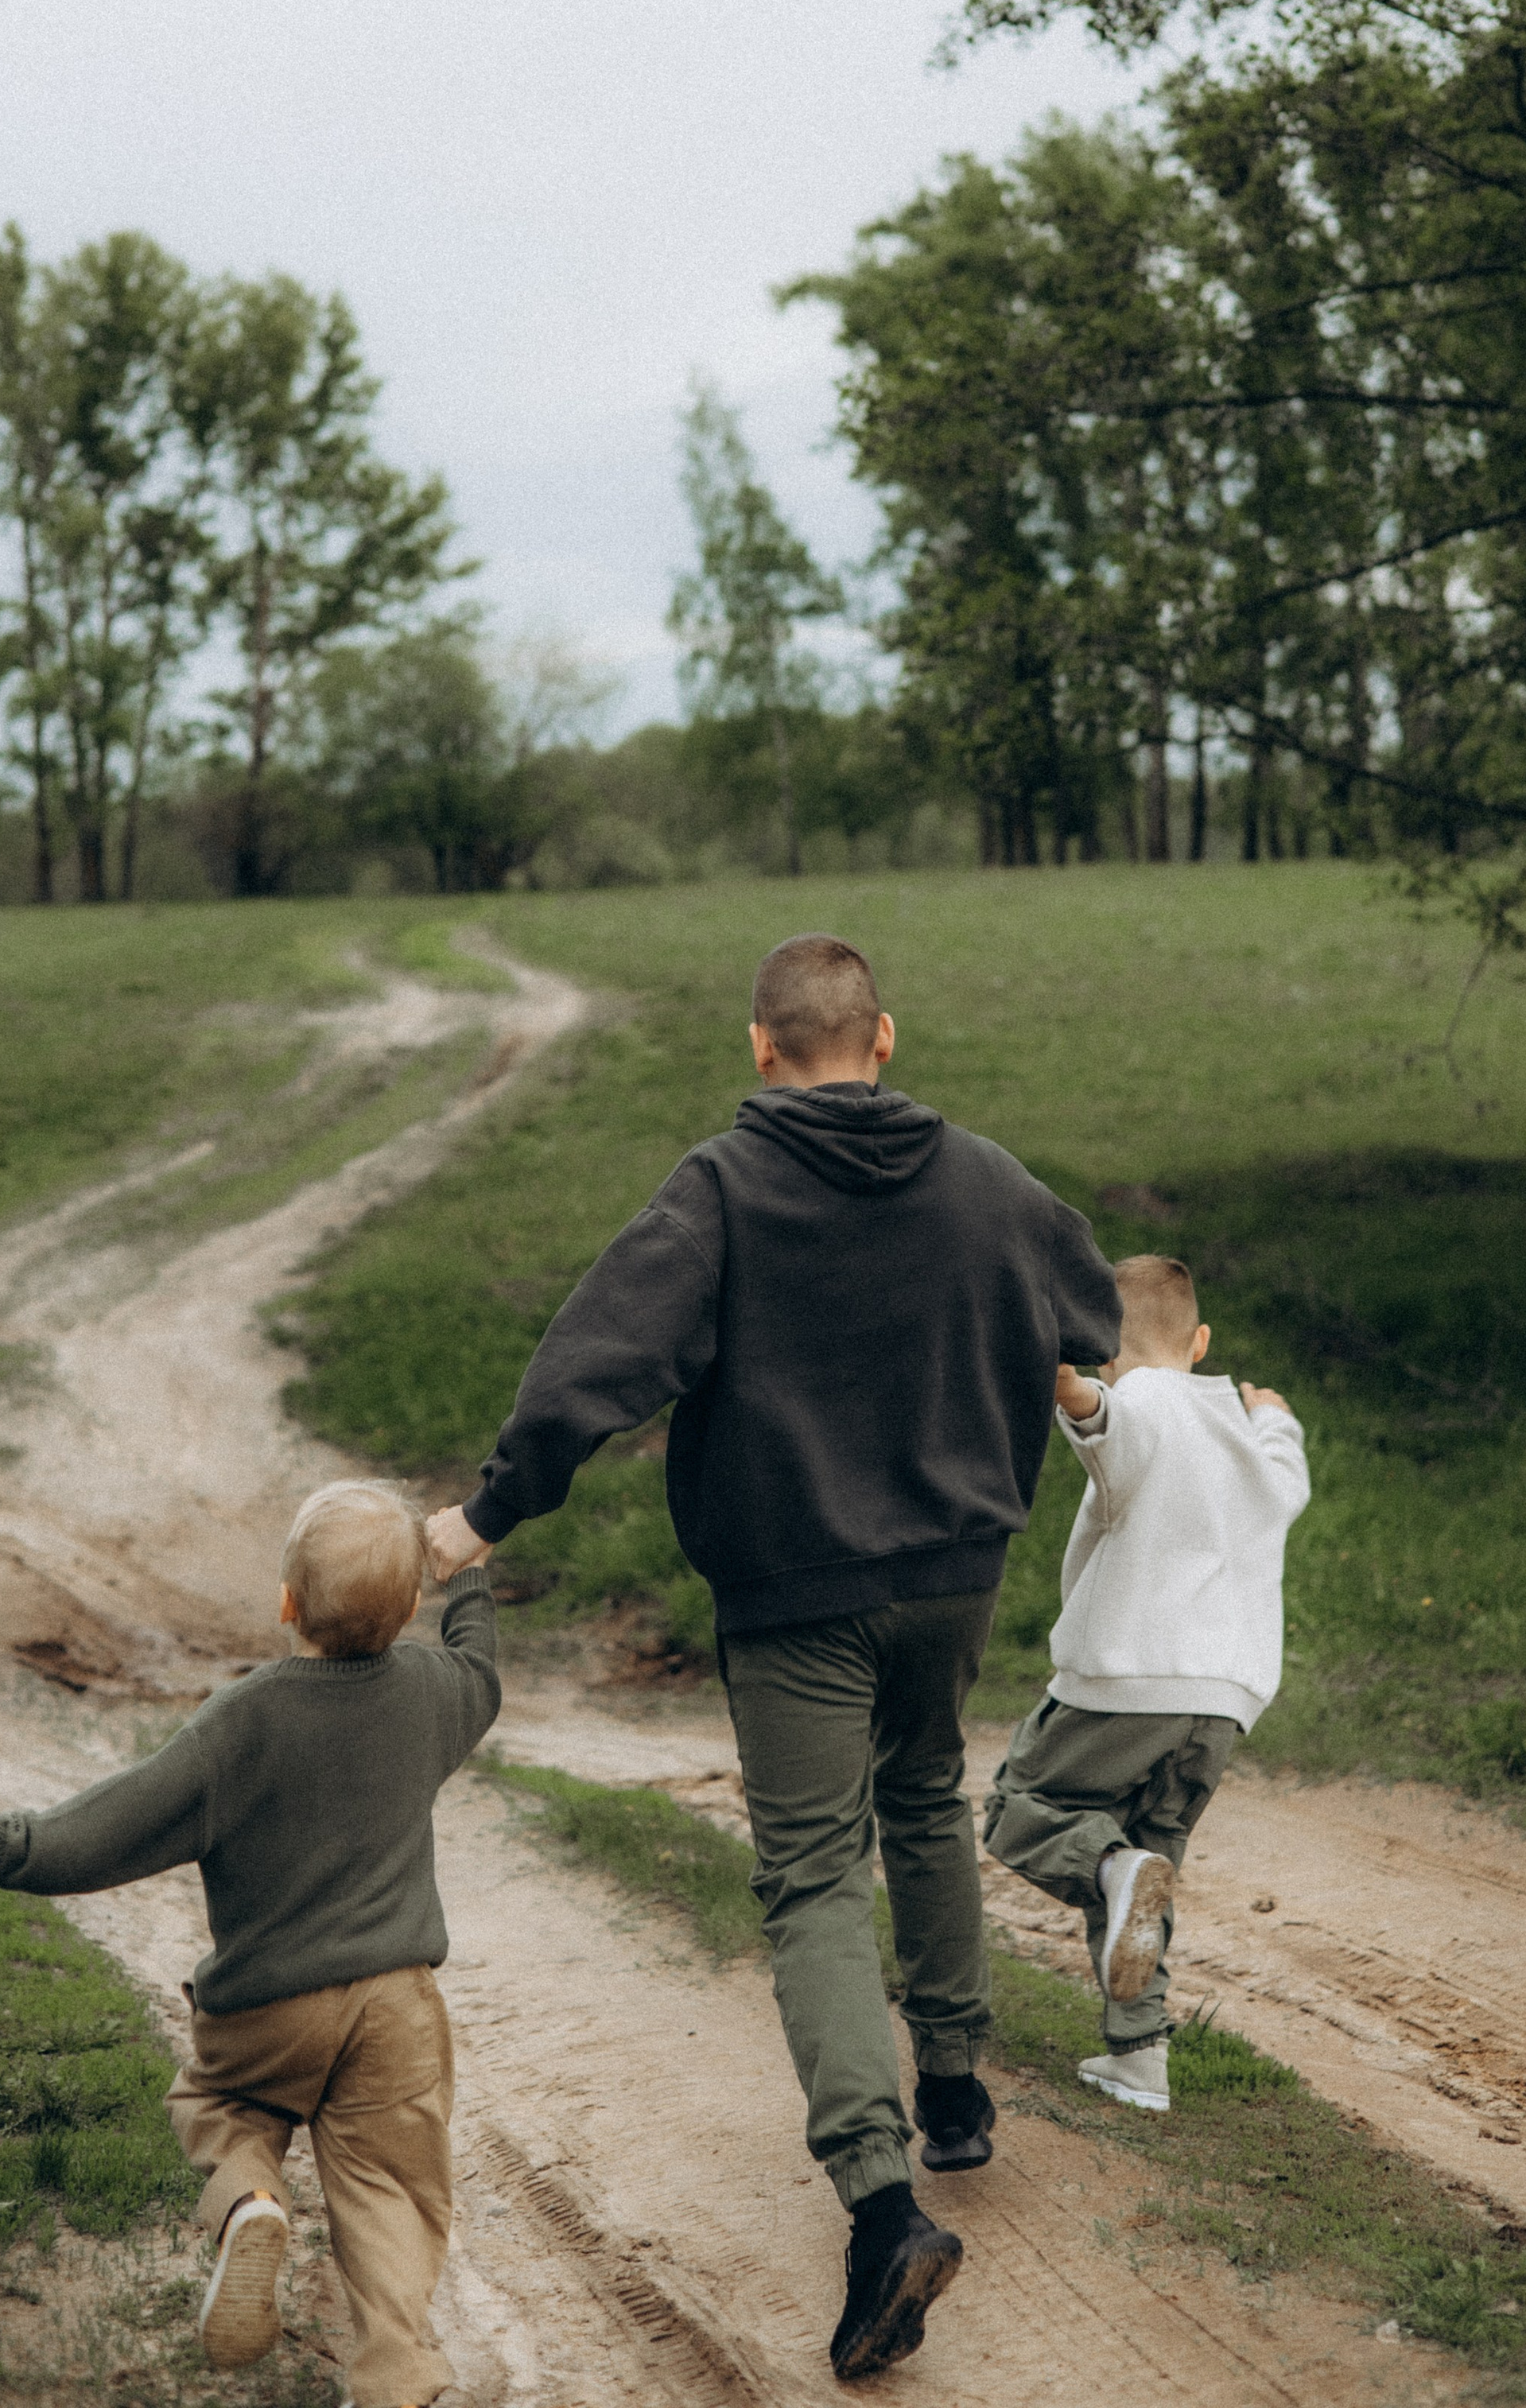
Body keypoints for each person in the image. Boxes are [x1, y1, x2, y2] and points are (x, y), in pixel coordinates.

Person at [423, 931, 1120, 2384]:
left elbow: (596, 1364)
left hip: (796, 1589)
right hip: (952, 1577)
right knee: (925, 1795)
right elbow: (1089, 1311)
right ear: (882, 1039)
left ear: (760, 1047)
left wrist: (489, 1513)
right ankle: (954, 2086)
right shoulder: (988, 1179)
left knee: (811, 1872)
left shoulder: (722, 1193)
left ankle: (881, 2208)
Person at [0, 1481, 499, 2408]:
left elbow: (122, 1819)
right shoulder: (431, 1695)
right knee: (390, 2188)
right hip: (397, 2005)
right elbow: (482, 1675)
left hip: (269, 2008)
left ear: (285, 1602)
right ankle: (399, 2376)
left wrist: (4, 1844)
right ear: (407, 1611)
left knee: (218, 2098)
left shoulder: (244, 1722)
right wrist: (468, 1579)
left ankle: (252, 2201)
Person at [982, 1252, 1309, 2111]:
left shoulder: (1136, 1408)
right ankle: (1138, 2059)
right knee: (1143, 1864)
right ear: (1200, 1341)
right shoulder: (1246, 1440)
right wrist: (1274, 1417)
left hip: (1131, 1682)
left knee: (1020, 1810)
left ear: (1098, 1349)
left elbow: (1105, 1425)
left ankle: (1109, 1873)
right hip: (1222, 1706)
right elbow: (1287, 1476)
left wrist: (1065, 1385)